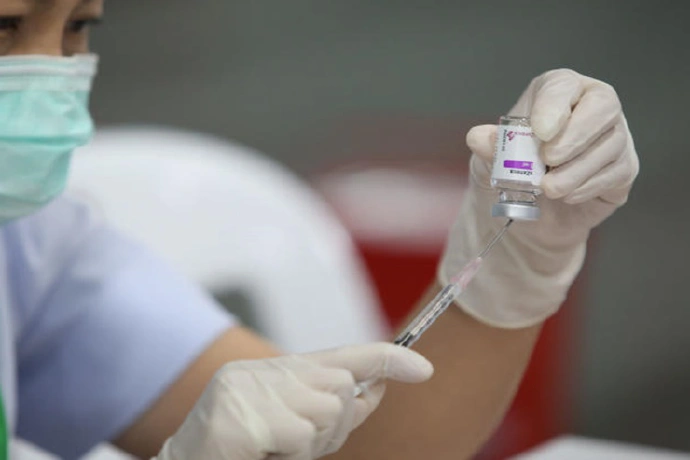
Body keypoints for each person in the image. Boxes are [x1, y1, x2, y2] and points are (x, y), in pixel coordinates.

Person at [0, 0, 639, 459]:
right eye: (6, 26)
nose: (50, 77)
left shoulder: (31, 245)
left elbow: (362, 452)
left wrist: (511, 273)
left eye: (77, 26)